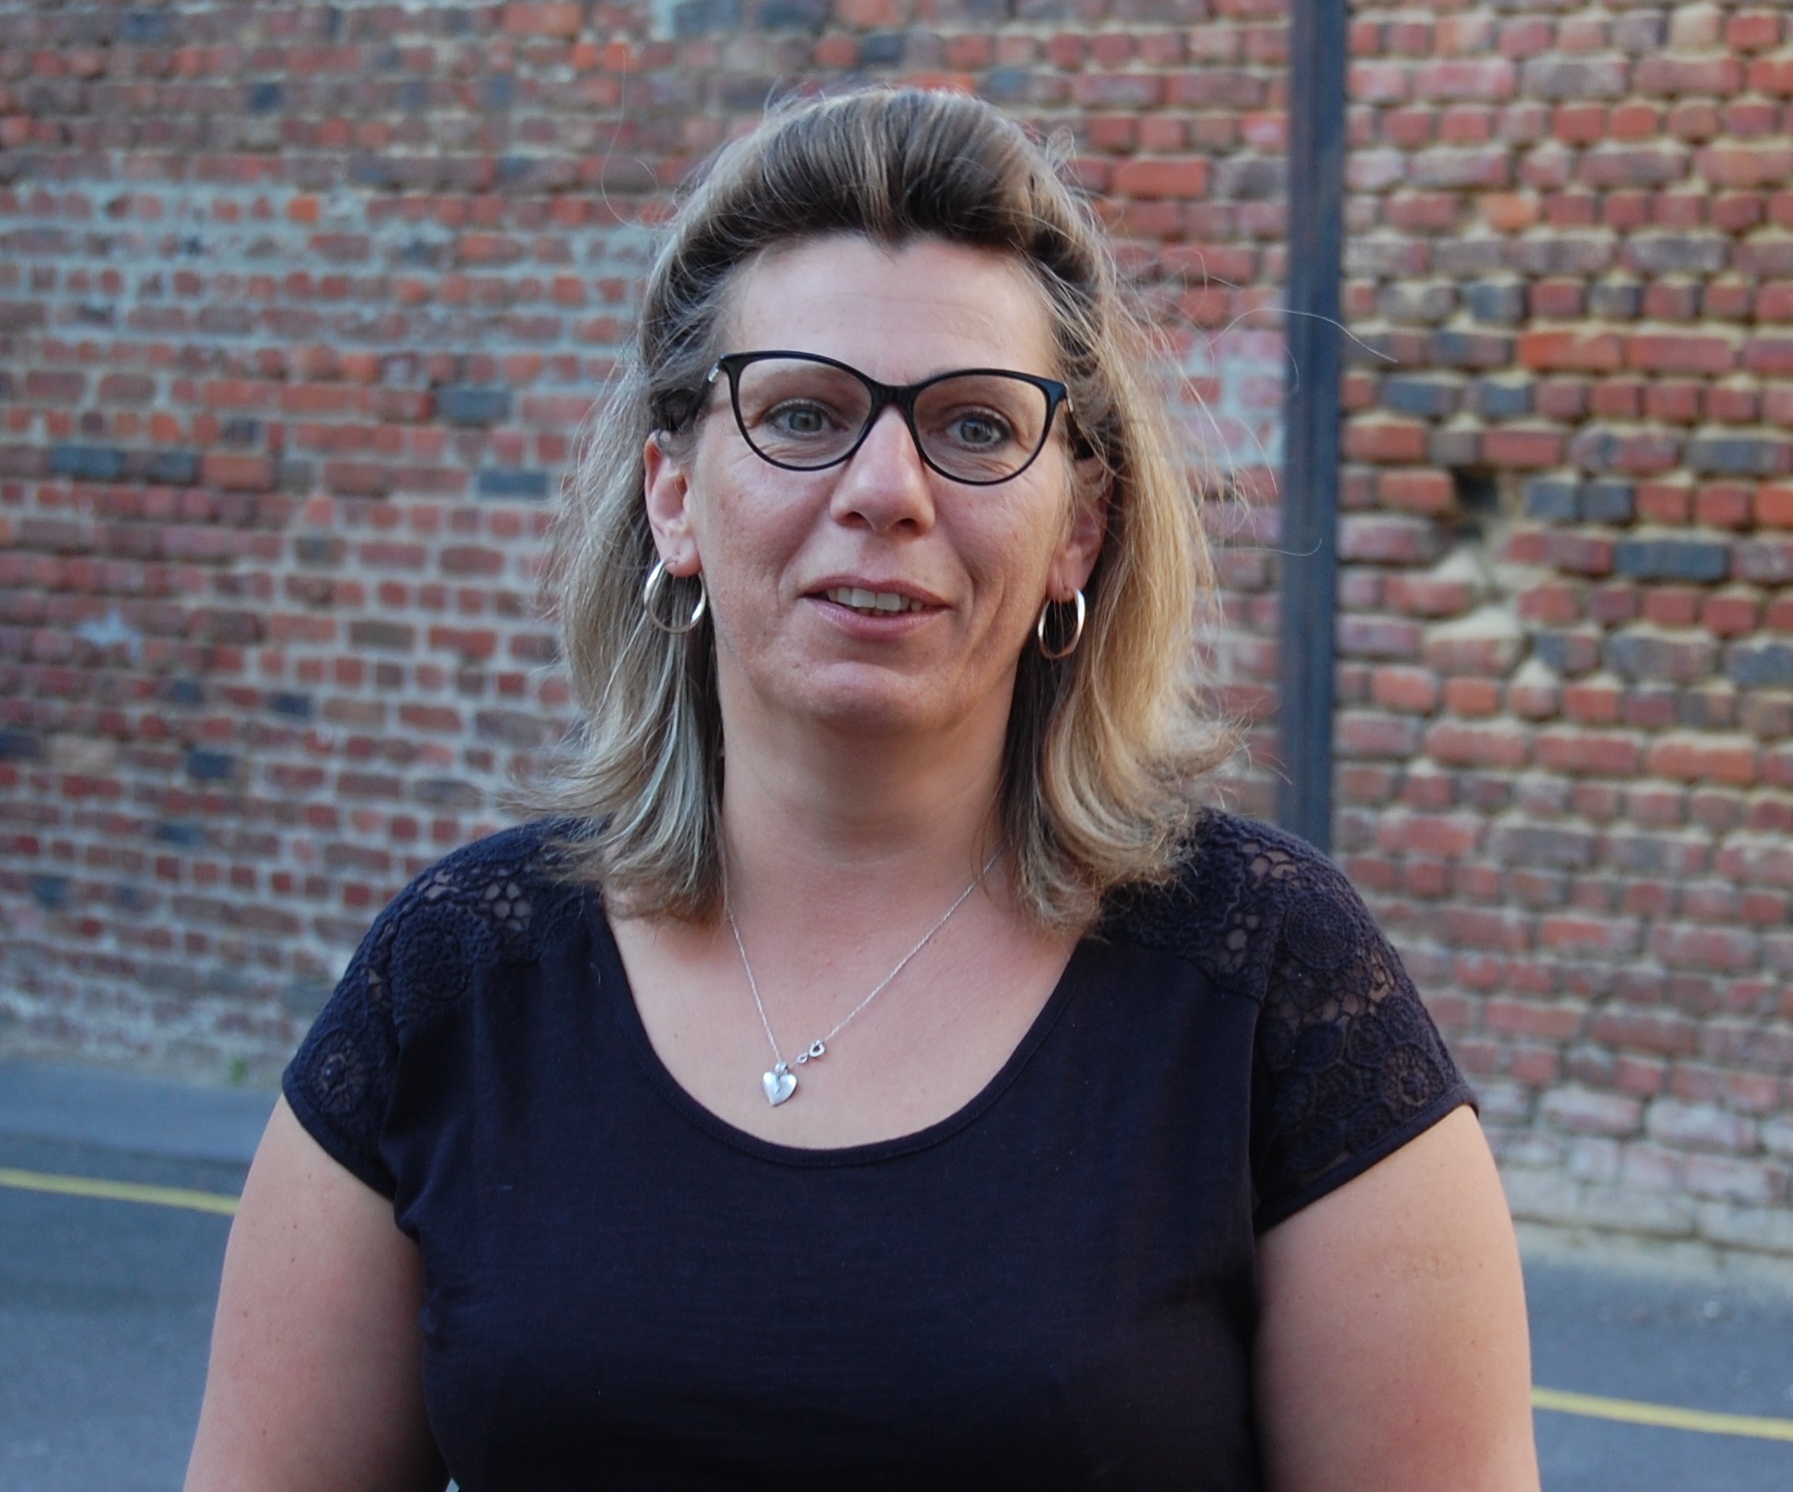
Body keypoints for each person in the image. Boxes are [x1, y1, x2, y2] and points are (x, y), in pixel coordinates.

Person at [185, 88, 1539, 1491]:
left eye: (975, 427)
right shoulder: (456, 985)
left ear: (1078, 529)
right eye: (801, 413)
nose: (885, 488)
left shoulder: (1272, 989)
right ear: (672, 494)